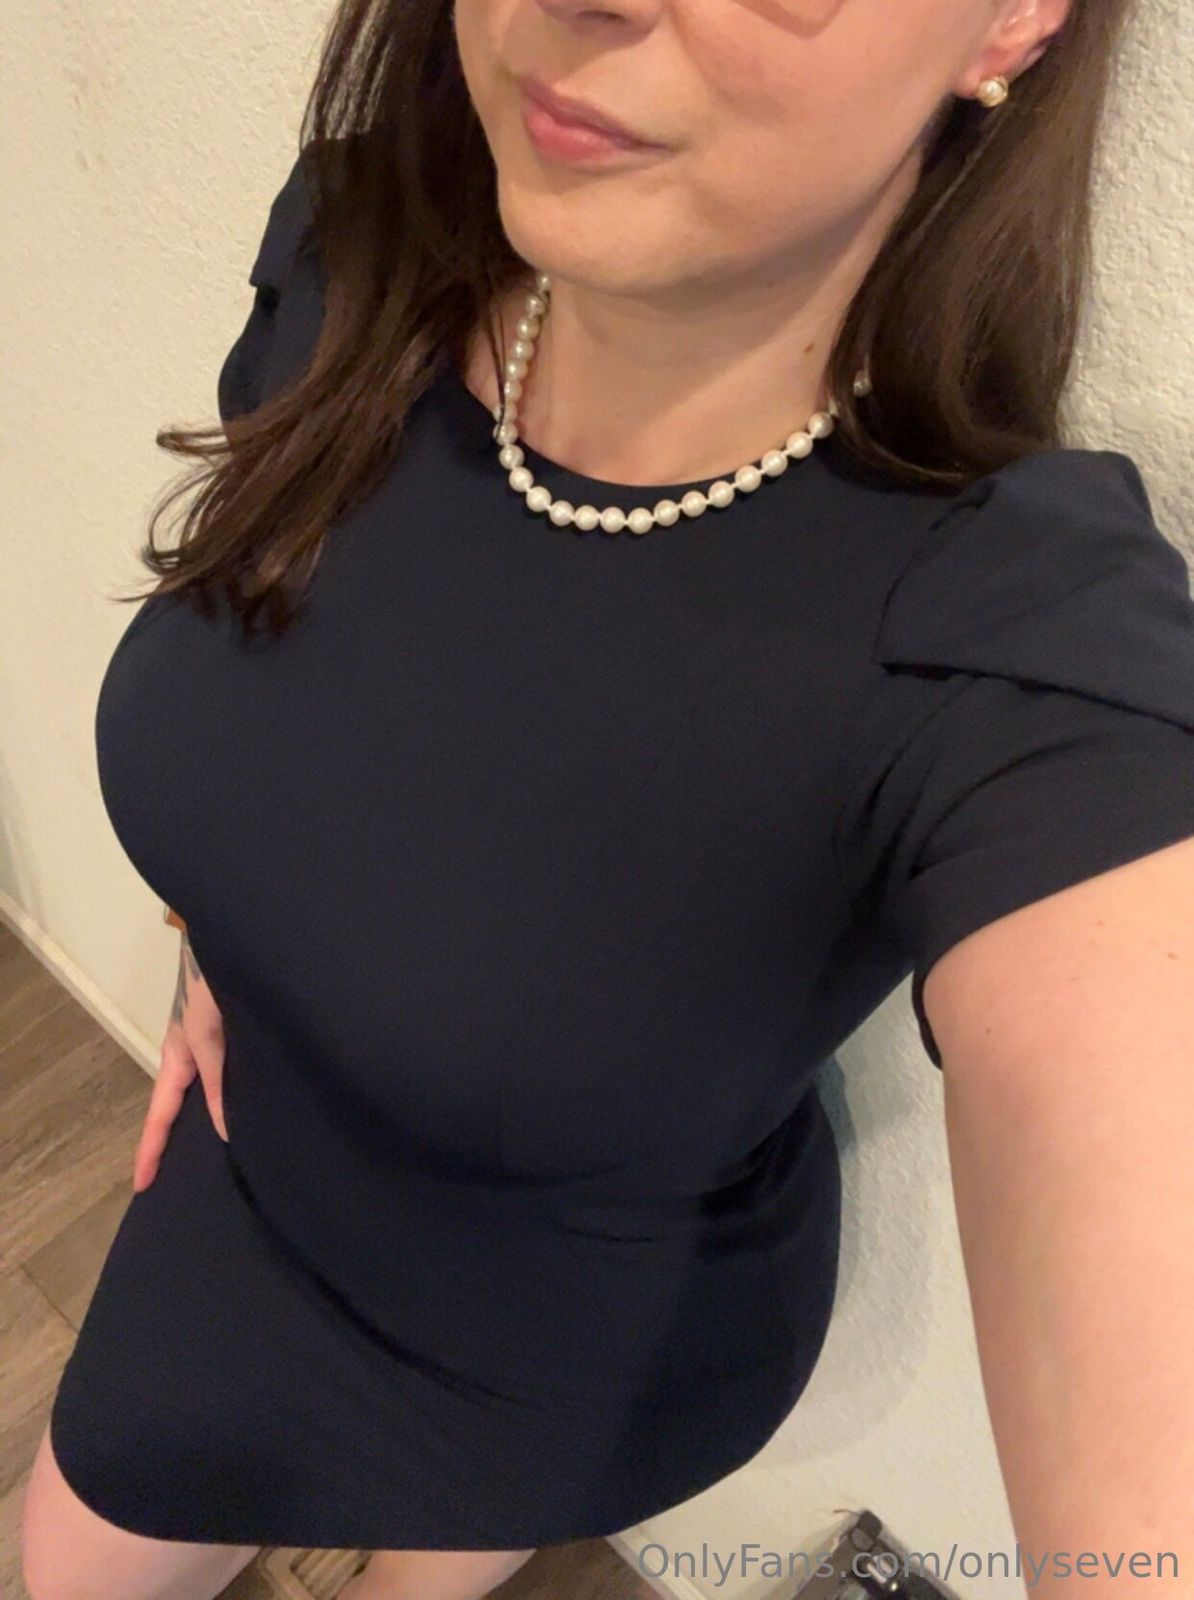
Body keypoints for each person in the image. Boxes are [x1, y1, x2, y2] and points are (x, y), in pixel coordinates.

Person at [22, 0, 1194, 1595]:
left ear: (1013, 19)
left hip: (570, 1354)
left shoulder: (1017, 643)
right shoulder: (353, 258)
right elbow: (284, 708)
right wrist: (219, 938)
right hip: (253, 1173)